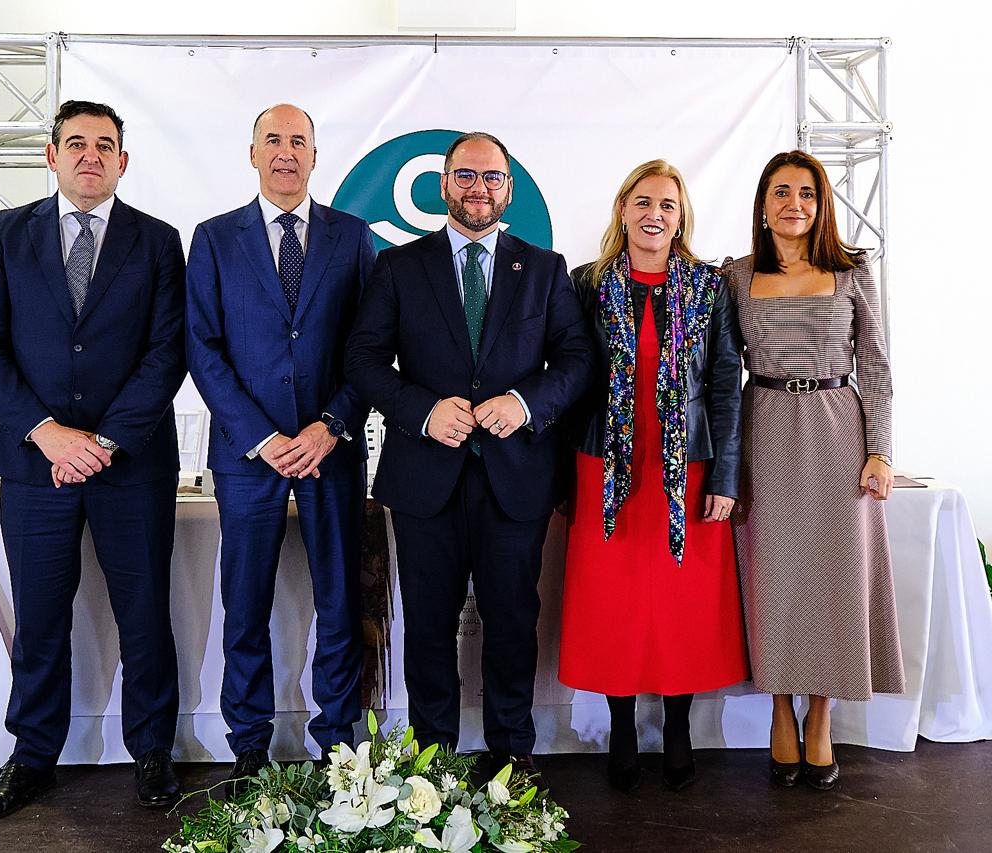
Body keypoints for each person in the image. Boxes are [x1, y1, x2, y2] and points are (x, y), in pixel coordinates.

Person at [0, 100, 186, 821]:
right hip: (35, 462)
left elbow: (166, 354)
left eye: (105, 145)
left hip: (132, 464)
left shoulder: (158, 241)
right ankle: (31, 757)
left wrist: (103, 442)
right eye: (77, 143)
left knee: (144, 613)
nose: (92, 155)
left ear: (123, 161)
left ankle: (152, 750)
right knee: (39, 616)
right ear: (52, 155)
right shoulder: (6, 234)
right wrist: (47, 433)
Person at [345, 131, 592, 780]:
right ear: (443, 184)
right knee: (429, 626)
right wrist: (422, 409)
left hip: (516, 479)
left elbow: (576, 361)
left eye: (491, 177)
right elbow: (362, 360)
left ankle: (512, 751)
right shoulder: (399, 266)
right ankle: (432, 759)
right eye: (465, 176)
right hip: (425, 479)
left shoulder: (545, 269)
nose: (478, 188)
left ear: (509, 190)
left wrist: (525, 402)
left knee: (512, 621)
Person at [186, 104, 376, 792]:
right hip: (248, 456)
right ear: (253, 153)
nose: (286, 151)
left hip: (331, 450)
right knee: (245, 602)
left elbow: (368, 346)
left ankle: (338, 743)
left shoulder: (352, 236)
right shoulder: (214, 238)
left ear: (315, 157)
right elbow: (201, 348)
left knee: (339, 600)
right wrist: (264, 437)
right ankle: (247, 743)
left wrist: (330, 425)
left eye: (299, 141)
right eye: (274, 139)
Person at [558, 160, 749, 793]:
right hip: (604, 465)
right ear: (622, 210)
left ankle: (677, 729)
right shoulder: (587, 283)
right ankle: (620, 729)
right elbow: (568, 378)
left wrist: (725, 474)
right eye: (643, 202)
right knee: (612, 603)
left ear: (681, 217)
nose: (654, 215)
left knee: (680, 606)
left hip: (686, 469)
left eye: (667, 205)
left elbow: (725, 385)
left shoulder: (709, 287)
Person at [728, 150, 904, 791]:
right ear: (763, 203)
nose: (793, 204)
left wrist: (880, 450)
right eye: (781, 191)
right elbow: (719, 371)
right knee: (772, 576)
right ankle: (781, 708)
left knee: (835, 576)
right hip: (765, 426)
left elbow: (876, 365)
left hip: (837, 428)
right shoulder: (737, 275)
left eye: (806, 192)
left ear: (821, 203)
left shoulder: (852, 271)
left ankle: (822, 714)